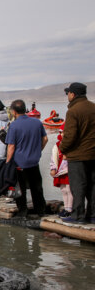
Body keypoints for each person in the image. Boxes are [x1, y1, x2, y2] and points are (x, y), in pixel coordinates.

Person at [5, 99, 48, 217]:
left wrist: (8, 162)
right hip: (34, 161)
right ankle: (41, 210)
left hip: (19, 163)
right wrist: (38, 150)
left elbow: (11, 146)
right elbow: (45, 139)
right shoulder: (37, 122)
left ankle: (23, 212)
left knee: (20, 189)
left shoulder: (14, 125)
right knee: (37, 187)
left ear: (13, 112)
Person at [59, 82, 95, 224]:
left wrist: (62, 149)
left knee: (78, 186)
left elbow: (70, 136)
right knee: (93, 185)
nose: (67, 95)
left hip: (78, 155)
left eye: (68, 93)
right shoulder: (93, 107)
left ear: (72, 94)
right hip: (93, 154)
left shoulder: (73, 111)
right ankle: (92, 215)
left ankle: (77, 215)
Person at [50, 125, 72, 218]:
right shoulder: (57, 145)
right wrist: (53, 168)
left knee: (69, 189)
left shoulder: (73, 144)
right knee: (63, 189)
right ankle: (66, 208)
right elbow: (53, 158)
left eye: (64, 132)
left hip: (70, 169)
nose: (63, 134)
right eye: (61, 132)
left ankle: (70, 209)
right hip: (60, 169)